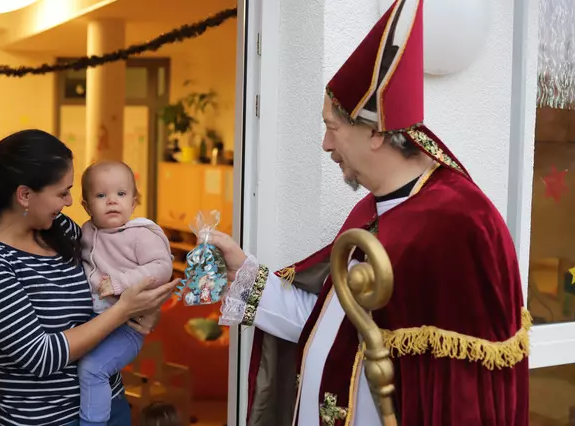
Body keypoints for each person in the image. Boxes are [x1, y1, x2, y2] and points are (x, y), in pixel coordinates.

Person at [213, 0, 530, 425]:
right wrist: (245, 275)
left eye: (333, 127)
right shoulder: (375, 209)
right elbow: (335, 325)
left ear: (376, 133)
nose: (326, 144)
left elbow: (461, 398)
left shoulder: (460, 225)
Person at [0, 130, 178, 426]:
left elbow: (108, 293)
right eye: (62, 192)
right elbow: (40, 356)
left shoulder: (63, 230)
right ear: (25, 195)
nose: (70, 202)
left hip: (109, 405)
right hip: (47, 420)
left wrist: (143, 312)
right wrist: (124, 311)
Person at [79, 160, 173, 425]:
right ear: (86, 206)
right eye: (101, 195)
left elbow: (162, 267)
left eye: (120, 194)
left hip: (128, 328)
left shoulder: (140, 234)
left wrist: (120, 283)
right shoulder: (85, 233)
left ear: (134, 202)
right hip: (95, 322)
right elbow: (81, 265)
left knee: (92, 369)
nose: (111, 201)